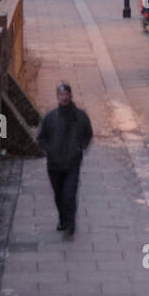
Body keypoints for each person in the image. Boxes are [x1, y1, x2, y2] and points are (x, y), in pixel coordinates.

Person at [36, 82, 93, 237]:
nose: (64, 97)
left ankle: (70, 223)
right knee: (58, 194)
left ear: (70, 95)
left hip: (72, 164)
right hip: (54, 165)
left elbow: (88, 134)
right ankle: (63, 219)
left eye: (66, 94)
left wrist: (80, 148)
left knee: (69, 194)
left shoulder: (80, 116)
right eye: (61, 95)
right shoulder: (50, 117)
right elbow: (41, 138)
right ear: (58, 97)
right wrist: (50, 150)